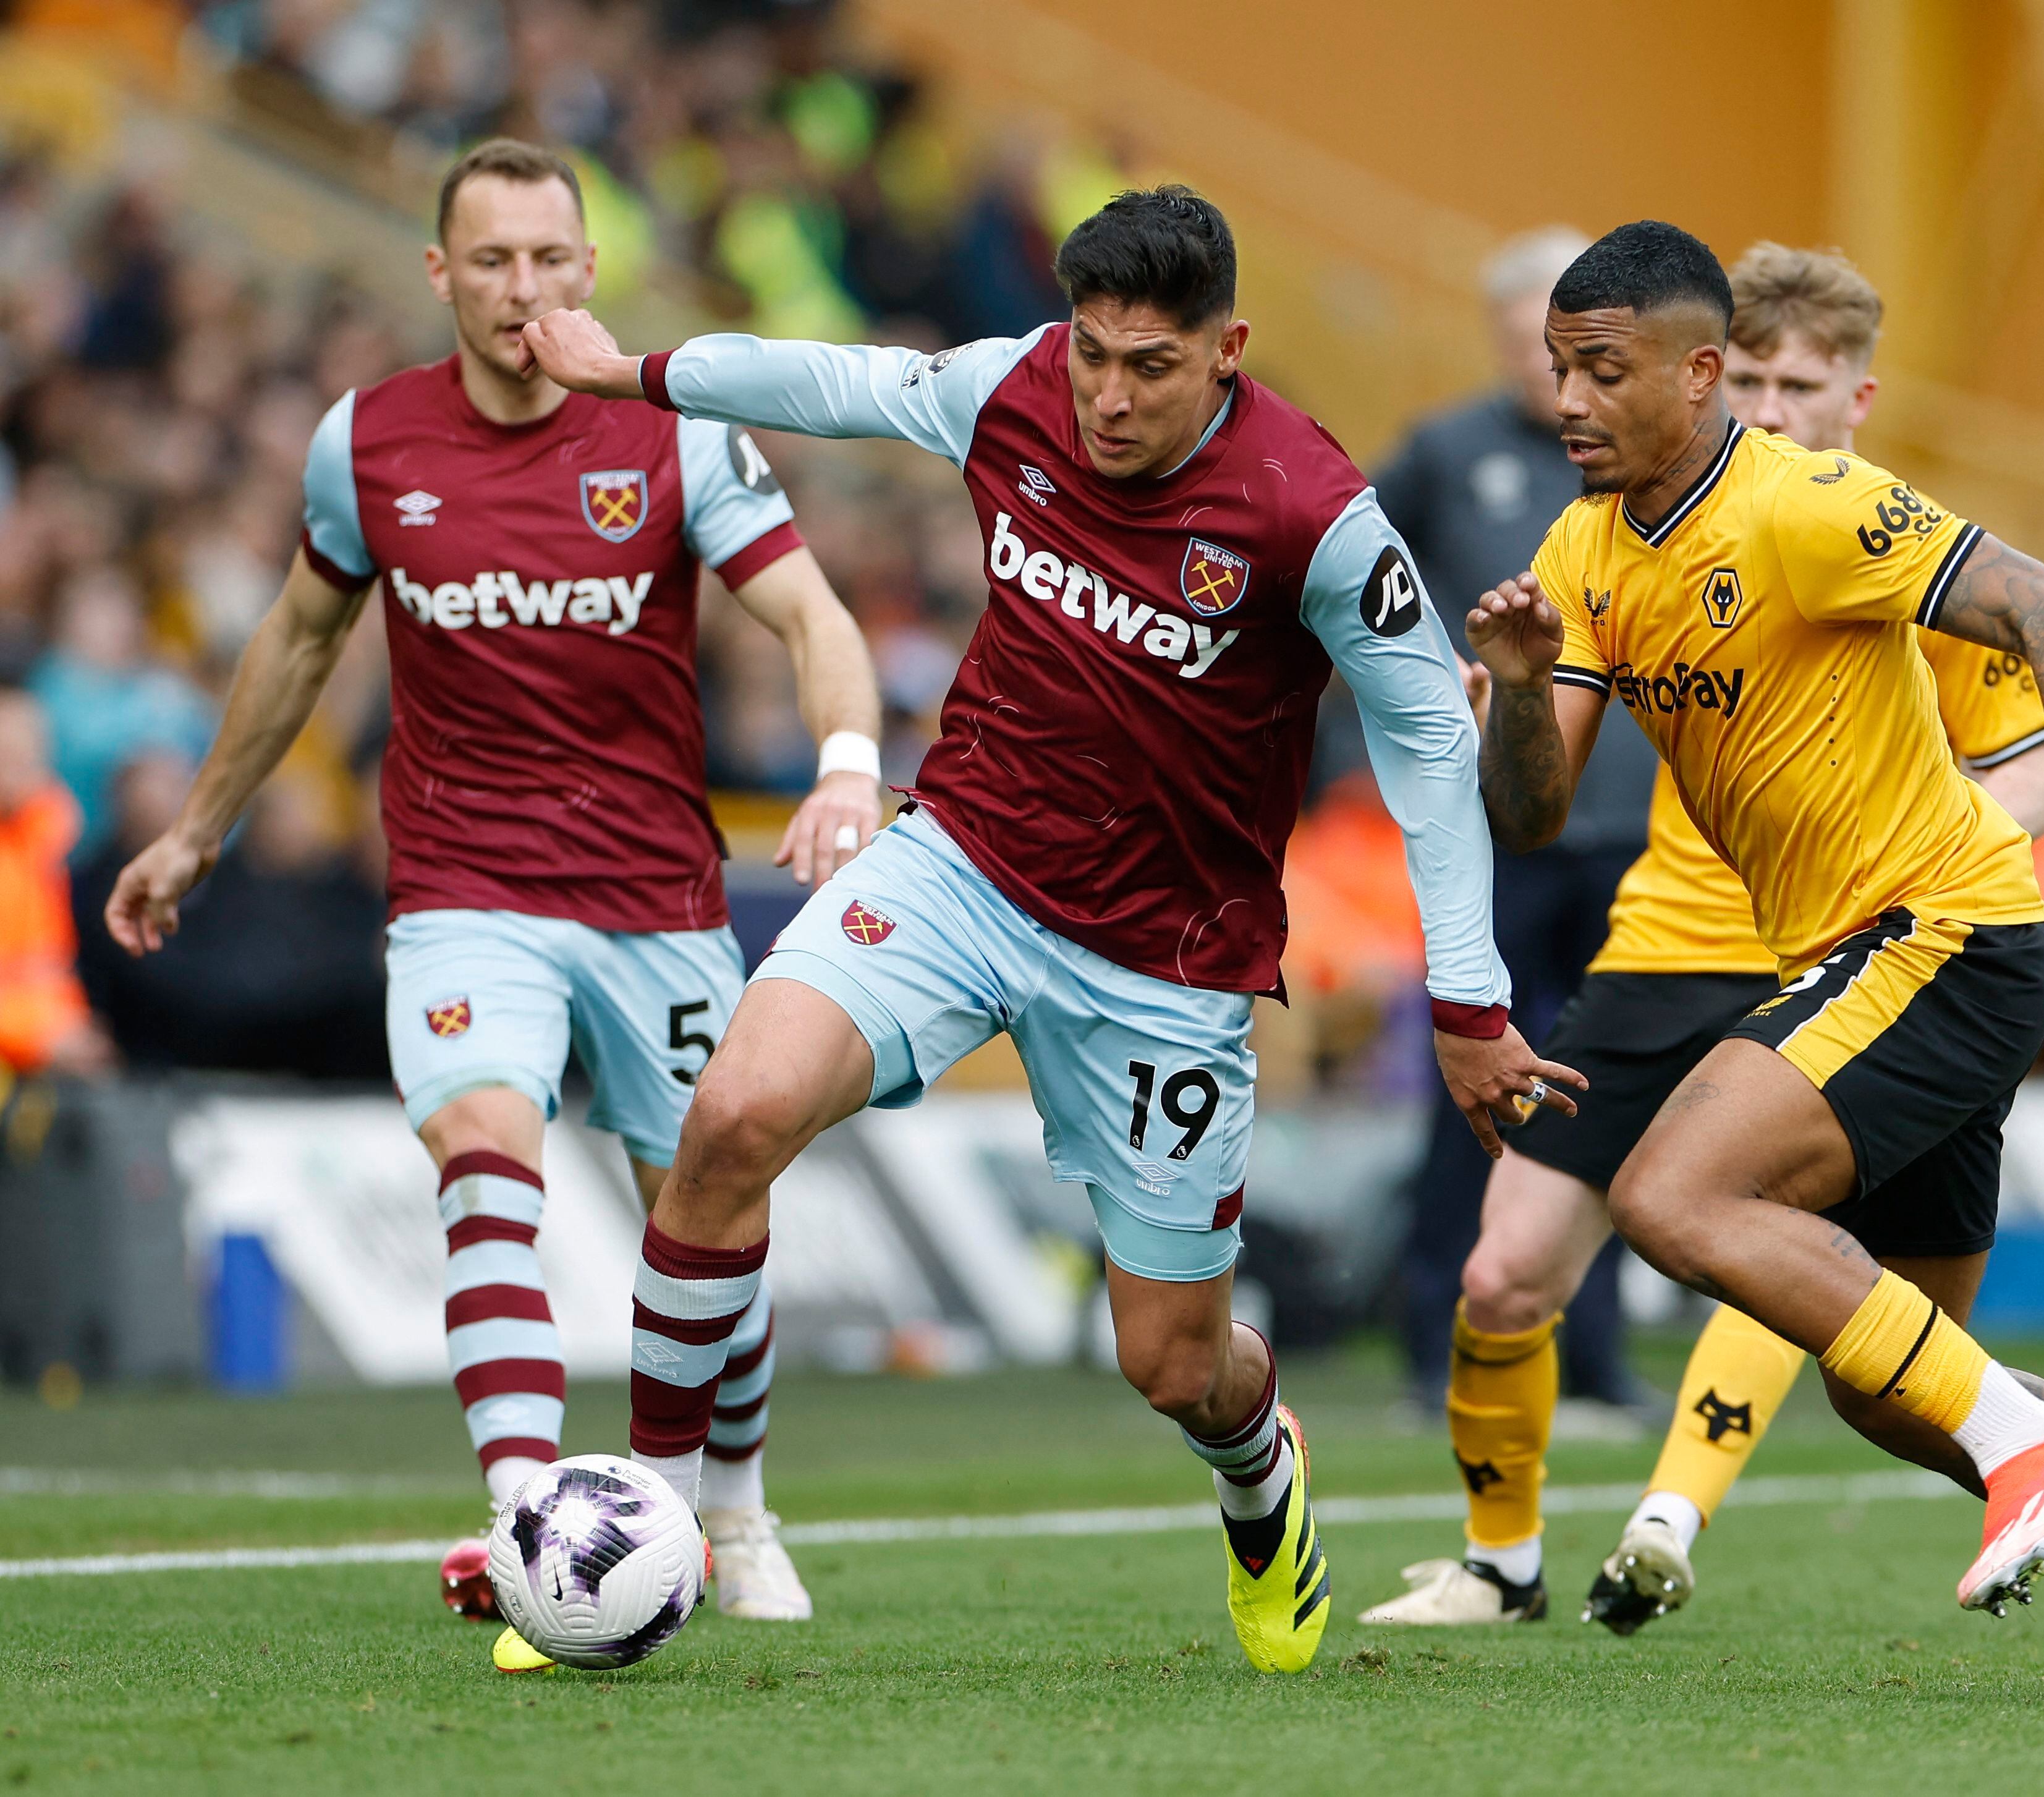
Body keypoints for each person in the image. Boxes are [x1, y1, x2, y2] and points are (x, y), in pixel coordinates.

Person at [516, 185, 1577, 1676]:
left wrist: (1466, 1000)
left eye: (1149, 364)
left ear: (1229, 350)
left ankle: (1262, 1479)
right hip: (959, 864)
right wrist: (625, 370)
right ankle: (647, 1526)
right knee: (731, 1118)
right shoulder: (1010, 389)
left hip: (1164, 963)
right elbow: (833, 382)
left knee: (1175, 1362)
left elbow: (1421, 747)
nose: (1108, 395)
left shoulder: (1311, 515)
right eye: (1092, 355)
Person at [1462, 221, 2044, 1701]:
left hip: (1940, 935)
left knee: (1675, 1191)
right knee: (1900, 1389)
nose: (1564, 399)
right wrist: (1509, 689)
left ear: (1697, 379)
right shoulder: (1580, 550)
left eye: (1600, 371)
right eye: (1558, 369)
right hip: (1863, 956)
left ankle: (2036, 1451)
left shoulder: (1809, 506)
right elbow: (1532, 811)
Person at [102, 140, 886, 1663]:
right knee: (481, 1151)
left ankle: (734, 1505)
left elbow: (810, 612)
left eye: (547, 257)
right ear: (439, 273)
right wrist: (200, 830)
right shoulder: (367, 441)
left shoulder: (674, 437)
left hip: (654, 892)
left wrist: (847, 767)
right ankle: (535, 1526)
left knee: (708, 1205)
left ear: (590, 270)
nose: (520, 287)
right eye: (491, 260)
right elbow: (296, 640)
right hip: (464, 886)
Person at [1363, 243, 2044, 1628]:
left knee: (1755, 1244)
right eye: (1745, 376)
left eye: (1795, 382)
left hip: (1848, 952)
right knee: (1506, 1271)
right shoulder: (1633, 533)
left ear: (1853, 399)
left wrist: (1962, 840)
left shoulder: (1872, 541)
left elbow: (2026, 749)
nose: (1766, 402)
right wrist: (1499, 694)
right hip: (1661, 938)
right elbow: (1537, 764)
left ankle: (1669, 1516)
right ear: (1706, 379)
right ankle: (1503, 1564)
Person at [1373, 227, 1659, 1418]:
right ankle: (1435, 1337)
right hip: (1488, 830)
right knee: (1475, 1081)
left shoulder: (1642, 461)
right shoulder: (1442, 455)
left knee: (1598, 1091)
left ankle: (1588, 1350)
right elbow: (1354, 593)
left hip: (1627, 828)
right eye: (1525, 331)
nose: (1546, 360)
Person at [0, 687, 114, 1080]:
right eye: (6, 749)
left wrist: (70, 1026)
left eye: (30, 748)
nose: (19, 762)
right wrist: (40, 1039)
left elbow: (44, 967)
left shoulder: (45, 845)